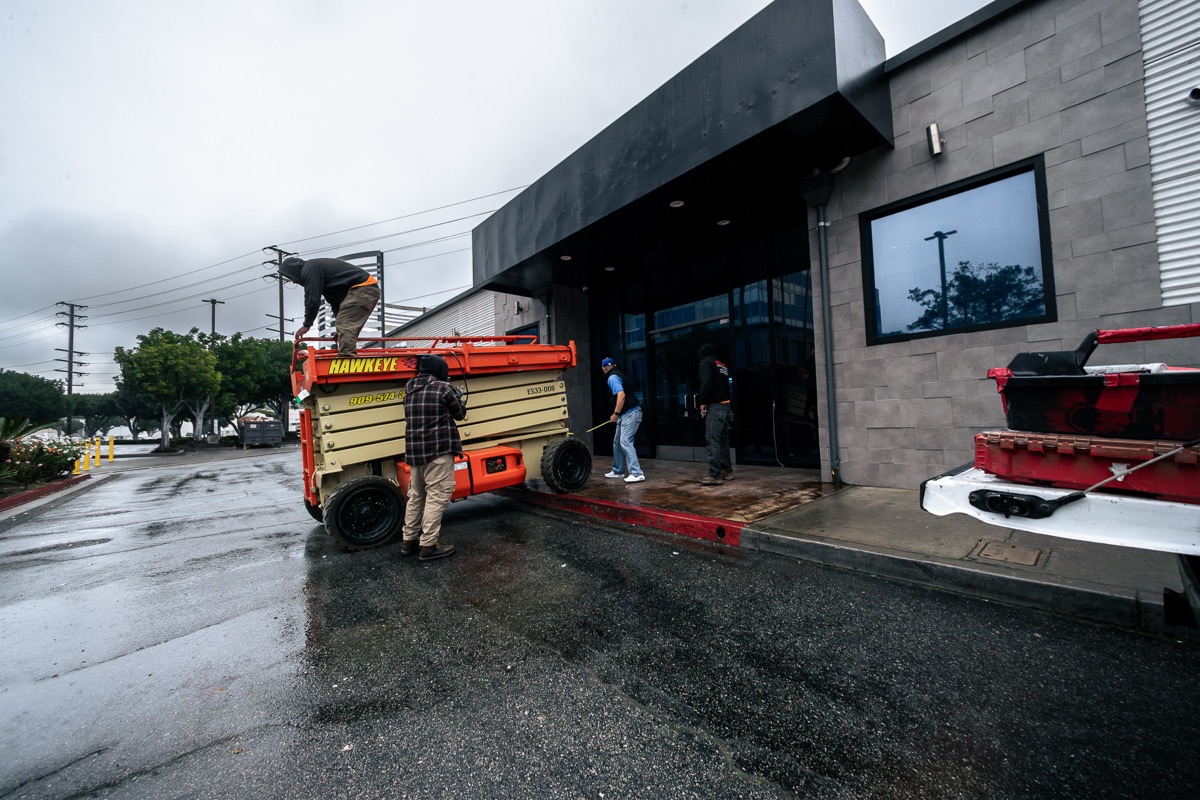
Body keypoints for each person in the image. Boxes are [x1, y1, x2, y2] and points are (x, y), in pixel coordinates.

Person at [398, 354, 466, 561]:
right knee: (437, 497)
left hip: (415, 453)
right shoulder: (443, 388)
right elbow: (460, 414)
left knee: (416, 496)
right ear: (439, 370)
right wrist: (458, 395)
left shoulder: (409, 391)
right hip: (438, 452)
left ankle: (408, 541)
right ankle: (428, 545)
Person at [279, 255, 380, 357]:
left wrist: (307, 324)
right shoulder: (318, 274)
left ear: (294, 270)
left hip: (362, 288)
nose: (293, 281)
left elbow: (312, 300)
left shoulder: (310, 270)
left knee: (345, 324)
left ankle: (347, 360)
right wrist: (339, 329)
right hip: (365, 289)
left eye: (290, 277)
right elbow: (336, 303)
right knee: (345, 325)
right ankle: (347, 355)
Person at [600, 357, 645, 483]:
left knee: (625, 441)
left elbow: (621, 395)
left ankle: (636, 473)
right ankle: (618, 471)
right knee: (617, 442)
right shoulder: (618, 373)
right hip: (627, 413)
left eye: (603, 367)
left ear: (603, 368)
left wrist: (615, 414)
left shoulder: (612, 378)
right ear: (614, 364)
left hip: (630, 413)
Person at [696, 343, 733, 486]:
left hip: (715, 405)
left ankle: (714, 474)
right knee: (723, 440)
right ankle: (727, 471)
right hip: (725, 404)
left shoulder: (705, 362)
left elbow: (706, 382)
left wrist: (703, 401)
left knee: (712, 440)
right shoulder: (721, 363)